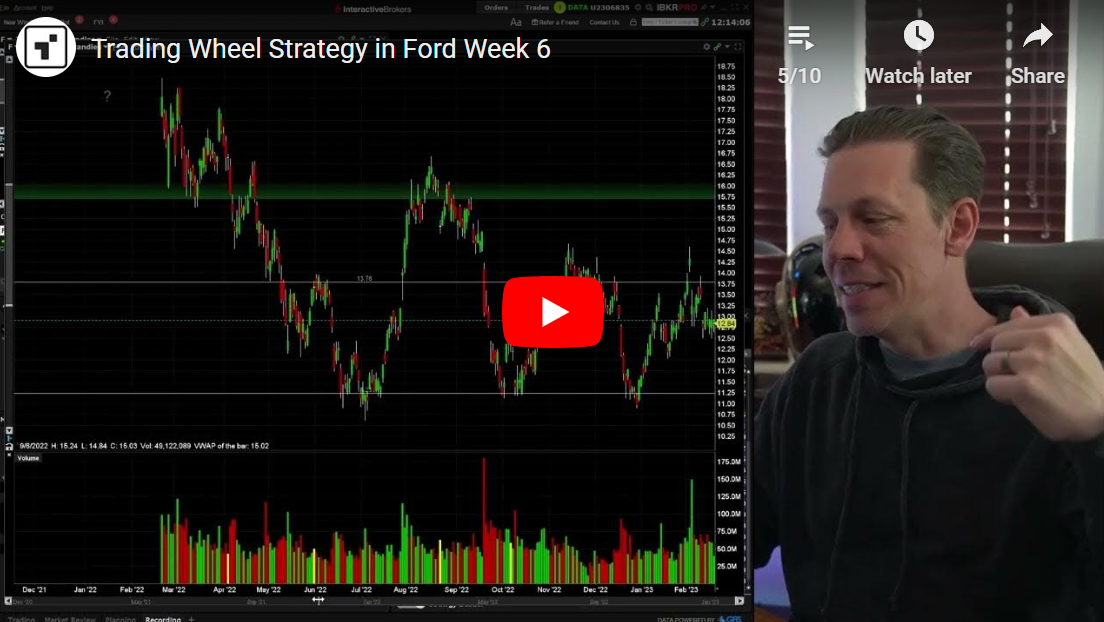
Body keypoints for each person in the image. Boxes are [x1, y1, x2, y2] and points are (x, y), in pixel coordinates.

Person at [752, 106, 1104, 621]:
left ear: (957, 227)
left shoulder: (1067, 395)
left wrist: (1098, 437)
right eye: (831, 223)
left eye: (874, 218)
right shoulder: (816, 380)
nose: (837, 249)